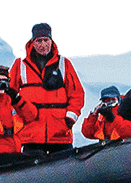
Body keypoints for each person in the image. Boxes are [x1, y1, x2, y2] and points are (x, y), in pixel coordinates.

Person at [11, 22, 87, 153]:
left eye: (46, 40)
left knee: (65, 170)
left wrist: (69, 119)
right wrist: (17, 119)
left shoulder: (64, 64)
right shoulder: (20, 65)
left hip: (60, 135)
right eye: (39, 41)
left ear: (51, 41)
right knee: (31, 171)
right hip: (30, 136)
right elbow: (9, 96)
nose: (43, 44)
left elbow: (77, 94)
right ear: (32, 42)